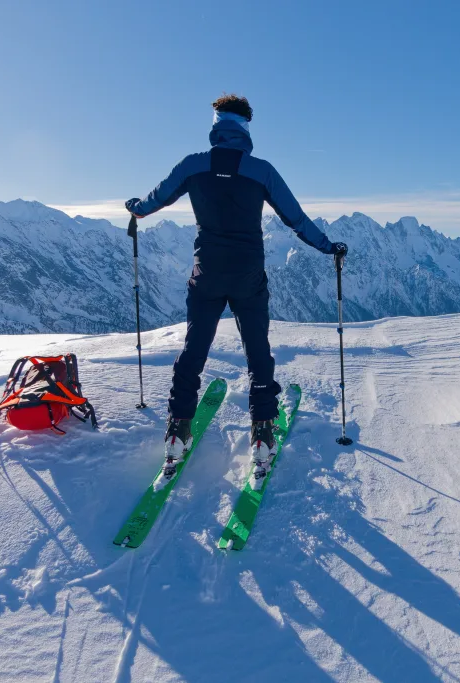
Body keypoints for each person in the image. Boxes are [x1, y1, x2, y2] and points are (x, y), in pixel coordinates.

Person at [125, 94, 347, 489]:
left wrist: (136, 207)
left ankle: (177, 432)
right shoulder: (261, 171)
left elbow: (153, 201)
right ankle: (262, 435)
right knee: (257, 351)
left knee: (194, 349)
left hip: (207, 271)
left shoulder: (192, 165)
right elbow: (297, 219)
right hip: (247, 274)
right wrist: (329, 246)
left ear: (215, 123)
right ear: (246, 126)